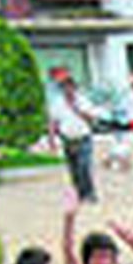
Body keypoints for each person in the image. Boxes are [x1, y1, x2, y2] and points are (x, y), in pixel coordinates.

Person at [48, 70, 99, 203]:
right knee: (74, 169)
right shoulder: (57, 103)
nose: (68, 90)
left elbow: (92, 118)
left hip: (83, 137)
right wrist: (52, 139)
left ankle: (90, 192)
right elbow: (53, 122)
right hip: (68, 139)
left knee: (84, 166)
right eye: (64, 87)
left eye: (70, 87)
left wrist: (78, 110)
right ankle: (80, 193)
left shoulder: (83, 101)